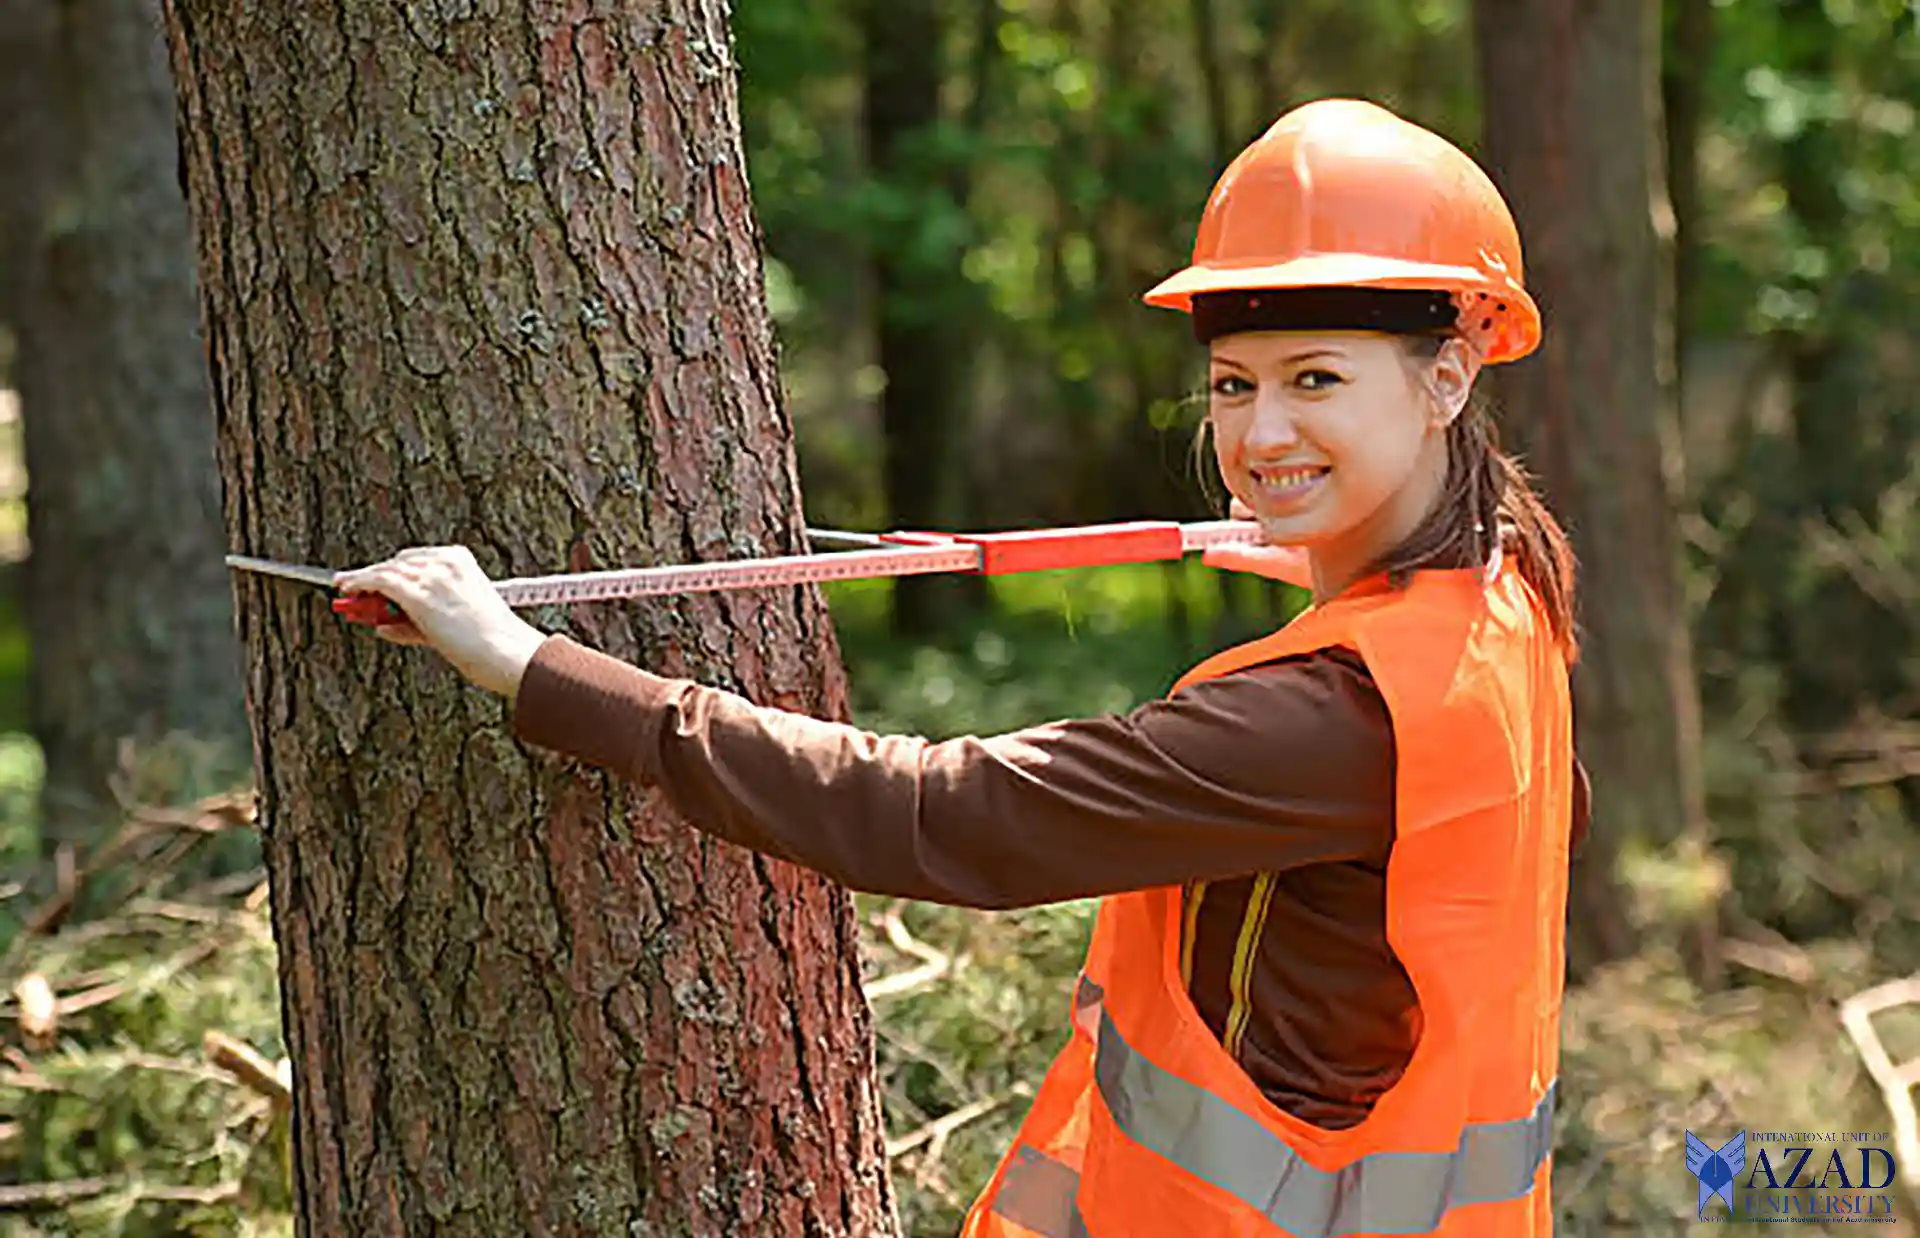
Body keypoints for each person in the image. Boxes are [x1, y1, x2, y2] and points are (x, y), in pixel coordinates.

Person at [336, 98, 1586, 1238]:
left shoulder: (1324, 719)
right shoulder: (1501, 599)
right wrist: (1334, 548)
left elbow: (942, 814)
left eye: (1317, 380)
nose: (1260, 432)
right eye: (1233, 385)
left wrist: (531, 665)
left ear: (1448, 376)